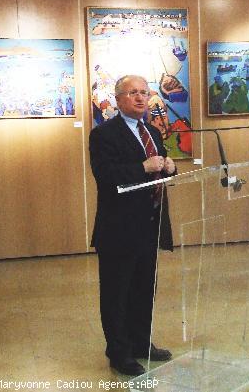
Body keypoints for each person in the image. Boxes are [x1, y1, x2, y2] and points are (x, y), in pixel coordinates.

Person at [89, 75, 176, 375]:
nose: (140, 98)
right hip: (118, 229)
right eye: (132, 93)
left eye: (144, 92)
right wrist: (142, 167)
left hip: (149, 225)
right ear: (118, 99)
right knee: (117, 293)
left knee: (144, 289)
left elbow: (160, 167)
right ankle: (119, 352)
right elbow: (106, 175)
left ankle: (141, 343)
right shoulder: (103, 135)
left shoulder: (152, 132)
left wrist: (170, 167)